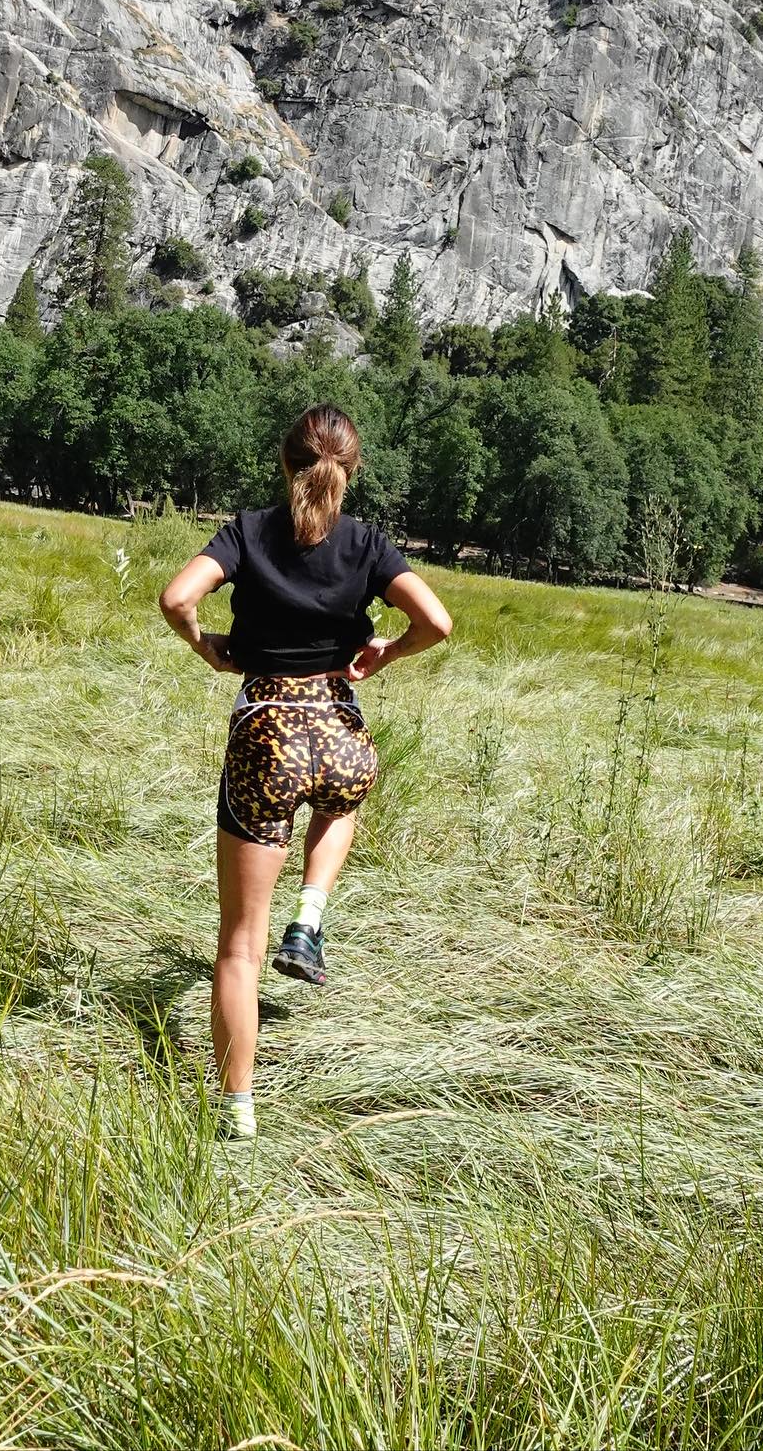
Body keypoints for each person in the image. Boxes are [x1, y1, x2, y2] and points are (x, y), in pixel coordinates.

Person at [158, 403, 453, 1140]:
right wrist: (386, 650)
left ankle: (237, 1111)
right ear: (349, 474)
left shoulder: (249, 532)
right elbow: (439, 623)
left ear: (285, 463)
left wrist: (207, 645)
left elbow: (176, 597)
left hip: (267, 735)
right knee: (342, 797)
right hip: (340, 730)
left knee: (236, 944)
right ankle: (312, 915)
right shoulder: (370, 544)